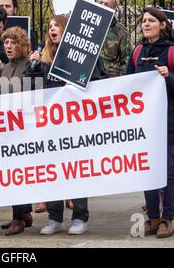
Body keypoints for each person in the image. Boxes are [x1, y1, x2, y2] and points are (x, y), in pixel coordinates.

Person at [25, 15, 107, 235]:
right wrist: (32, 67)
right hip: (50, 125)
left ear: (66, 29)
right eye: (49, 26)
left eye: (56, 26)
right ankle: (54, 218)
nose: (52, 29)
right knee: (51, 170)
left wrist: (80, 84)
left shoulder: (86, 57)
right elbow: (30, 87)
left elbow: (101, 83)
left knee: (76, 171)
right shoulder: (43, 57)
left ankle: (80, 217)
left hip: (75, 124)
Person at [126, 7, 174, 238]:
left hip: (169, 124)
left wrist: (168, 76)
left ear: (162, 25)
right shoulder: (137, 52)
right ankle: (153, 218)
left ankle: (167, 220)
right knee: (148, 172)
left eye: (151, 21)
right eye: (143, 21)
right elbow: (127, 87)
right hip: (144, 125)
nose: (146, 24)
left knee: (169, 173)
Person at [0, 26, 33, 236]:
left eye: (13, 43)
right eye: (6, 43)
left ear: (22, 45)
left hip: (24, 127)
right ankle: (24, 213)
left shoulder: (29, 66)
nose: (8, 46)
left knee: (19, 173)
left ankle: (18, 218)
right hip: (8, 127)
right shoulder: (6, 67)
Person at [97, 0, 132, 77]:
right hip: (88, 77)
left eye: (106, 4)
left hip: (109, 79)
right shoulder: (86, 26)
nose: (102, 6)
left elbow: (126, 61)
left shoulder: (121, 32)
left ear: (114, 10)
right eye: (100, 3)